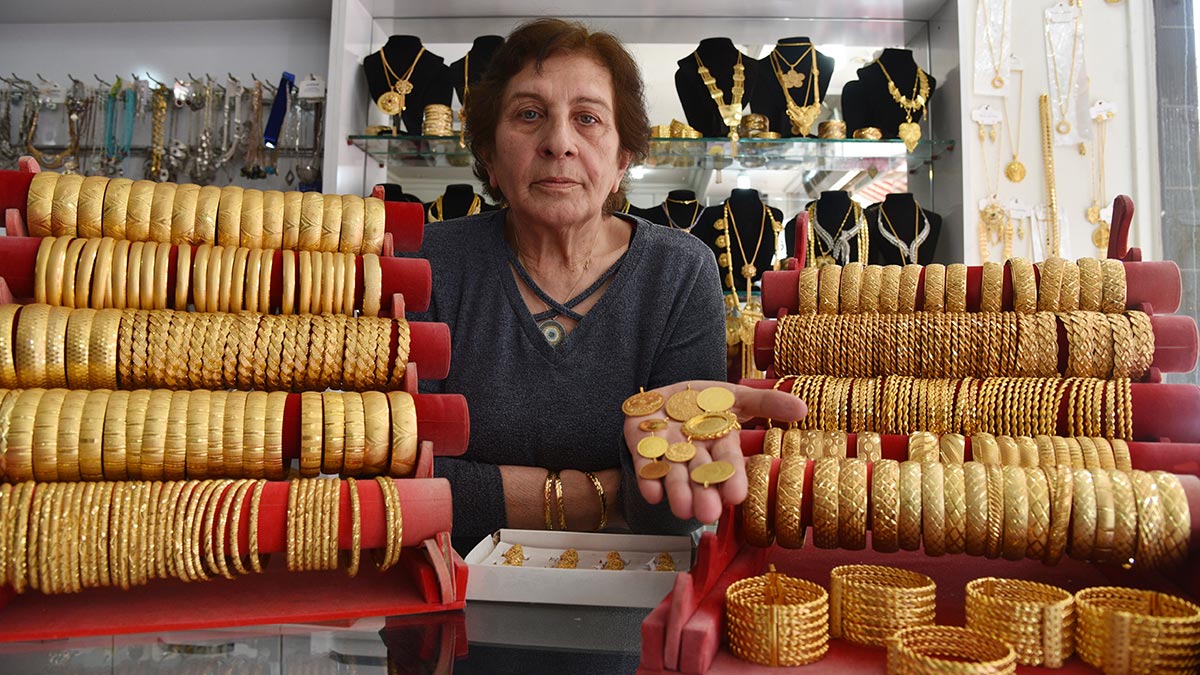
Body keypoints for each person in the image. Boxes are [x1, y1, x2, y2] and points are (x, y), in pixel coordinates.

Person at [409, 18, 805, 545]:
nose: (559, 143)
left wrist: (484, 491)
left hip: (634, 587)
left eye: (588, 118)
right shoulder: (429, 263)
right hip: (445, 583)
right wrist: (607, 496)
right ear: (490, 156)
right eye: (529, 114)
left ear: (622, 161)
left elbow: (675, 507)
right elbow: (405, 484)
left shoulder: (679, 271)